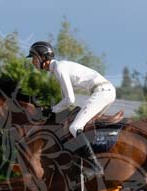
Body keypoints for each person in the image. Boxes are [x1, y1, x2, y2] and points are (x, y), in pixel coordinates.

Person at [28, 41, 116, 177]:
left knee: (75, 127)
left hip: (102, 91)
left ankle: (95, 167)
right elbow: (65, 100)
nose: (32, 62)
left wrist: (52, 110)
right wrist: (52, 110)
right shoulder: (58, 68)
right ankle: (89, 160)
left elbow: (70, 99)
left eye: (34, 58)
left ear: (43, 57)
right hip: (105, 91)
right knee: (82, 126)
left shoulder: (59, 68)